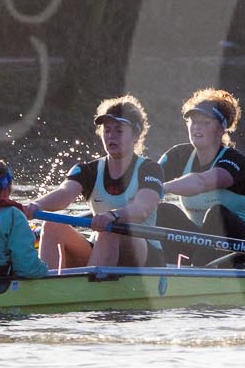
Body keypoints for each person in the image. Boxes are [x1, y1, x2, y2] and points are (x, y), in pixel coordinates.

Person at [29, 96, 164, 269]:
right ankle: (47, 288)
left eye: (119, 131)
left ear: (136, 135)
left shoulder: (150, 169)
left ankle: (88, 287)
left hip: (144, 253)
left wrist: (112, 215)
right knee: (51, 225)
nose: (111, 136)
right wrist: (35, 205)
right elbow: (64, 194)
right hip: (103, 243)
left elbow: (143, 209)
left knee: (112, 227)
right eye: (107, 130)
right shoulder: (88, 171)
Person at [155, 88, 245, 248]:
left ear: (220, 129)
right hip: (202, 244)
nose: (197, 127)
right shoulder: (177, 155)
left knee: (216, 214)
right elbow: (146, 180)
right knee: (163, 211)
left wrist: (163, 187)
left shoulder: (234, 160)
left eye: (205, 122)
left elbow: (201, 183)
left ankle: (196, 266)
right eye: (193, 121)